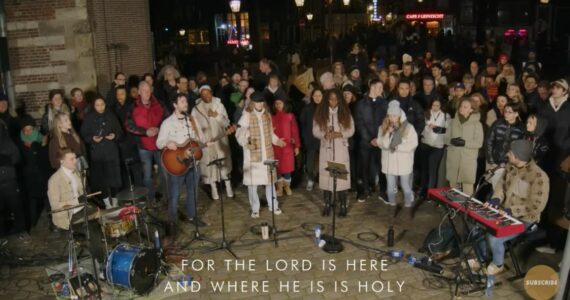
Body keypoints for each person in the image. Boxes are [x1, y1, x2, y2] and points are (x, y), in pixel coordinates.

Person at [475, 140, 549, 275]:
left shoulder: (539, 176)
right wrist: (496, 199)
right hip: (505, 212)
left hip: (525, 219)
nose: (507, 154)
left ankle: (498, 264)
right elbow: (500, 186)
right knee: (479, 226)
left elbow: (537, 206)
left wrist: (512, 211)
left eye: (510, 152)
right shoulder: (510, 166)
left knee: (494, 237)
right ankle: (480, 258)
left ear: (518, 156)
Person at [156, 93, 207, 236]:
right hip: (176, 165)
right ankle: (172, 222)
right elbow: (158, 143)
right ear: (175, 105)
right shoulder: (167, 123)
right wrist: (167, 143)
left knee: (193, 191)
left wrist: (204, 141)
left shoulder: (192, 119)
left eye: (186, 101)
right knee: (174, 195)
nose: (185, 104)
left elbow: (201, 139)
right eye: (182, 101)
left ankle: (192, 216)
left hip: (192, 163)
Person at [47, 149, 105, 262]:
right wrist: (76, 201)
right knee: (92, 230)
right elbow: (54, 205)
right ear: (62, 161)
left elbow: (82, 193)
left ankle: (102, 250)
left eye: (75, 158)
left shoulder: (77, 173)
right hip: (68, 214)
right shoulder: (54, 180)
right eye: (71, 159)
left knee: (102, 216)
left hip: (82, 208)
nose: (75, 161)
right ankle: (101, 261)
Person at [236, 91, 286, 218]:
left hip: (267, 153)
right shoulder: (246, 116)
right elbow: (239, 133)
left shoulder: (267, 115)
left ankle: (273, 205)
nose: (259, 104)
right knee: (253, 184)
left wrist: (277, 141)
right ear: (253, 103)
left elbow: (270, 133)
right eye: (257, 102)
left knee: (270, 180)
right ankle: (255, 208)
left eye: (261, 102)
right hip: (253, 155)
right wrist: (246, 141)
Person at [313, 89, 355, 217]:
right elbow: (315, 131)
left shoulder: (345, 112)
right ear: (326, 99)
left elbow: (351, 130)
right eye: (331, 99)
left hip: (340, 151)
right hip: (326, 149)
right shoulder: (320, 113)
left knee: (340, 179)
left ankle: (343, 205)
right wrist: (324, 135)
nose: (333, 102)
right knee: (327, 179)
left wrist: (340, 134)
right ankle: (327, 204)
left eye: (336, 99)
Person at [191, 85, 234, 200]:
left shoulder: (219, 105)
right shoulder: (196, 109)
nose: (206, 96)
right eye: (203, 94)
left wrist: (216, 116)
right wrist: (201, 139)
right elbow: (195, 126)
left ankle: (228, 186)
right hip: (206, 142)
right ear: (201, 95)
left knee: (223, 165)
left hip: (219, 139)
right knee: (209, 166)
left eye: (208, 93)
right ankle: (214, 189)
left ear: (211, 93)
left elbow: (226, 123)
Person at [377, 100, 418, 218]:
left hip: (404, 163)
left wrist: (397, 146)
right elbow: (381, 143)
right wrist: (387, 134)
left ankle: (407, 207)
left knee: (406, 187)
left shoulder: (408, 128)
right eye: (389, 115)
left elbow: (413, 144)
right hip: (389, 163)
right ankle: (392, 206)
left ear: (399, 115)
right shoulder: (383, 127)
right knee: (390, 189)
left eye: (394, 115)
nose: (391, 118)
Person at [126, 81, 166, 202]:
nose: (146, 92)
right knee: (147, 175)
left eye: (148, 90)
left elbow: (166, 118)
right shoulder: (133, 107)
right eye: (143, 90)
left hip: (159, 143)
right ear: (139, 92)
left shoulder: (158, 104)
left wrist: (159, 128)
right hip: (143, 145)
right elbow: (129, 125)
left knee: (164, 171)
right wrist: (145, 132)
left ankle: (162, 193)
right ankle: (151, 195)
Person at [81, 96, 123, 209]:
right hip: (97, 154)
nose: (100, 107)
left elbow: (119, 131)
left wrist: (115, 135)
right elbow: (84, 135)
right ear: (93, 106)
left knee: (114, 178)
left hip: (111, 152)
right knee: (101, 179)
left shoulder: (111, 115)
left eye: (102, 104)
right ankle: (107, 203)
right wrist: (92, 139)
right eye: (97, 105)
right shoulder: (89, 117)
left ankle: (115, 201)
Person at [354, 78, 388, 203]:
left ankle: (383, 192)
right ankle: (364, 191)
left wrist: (380, 138)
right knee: (364, 167)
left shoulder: (384, 103)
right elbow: (359, 123)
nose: (382, 90)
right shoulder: (361, 104)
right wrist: (369, 139)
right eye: (380, 87)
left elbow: (387, 122)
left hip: (380, 142)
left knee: (383, 167)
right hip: (365, 142)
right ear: (372, 87)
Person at [445, 98, 484, 195]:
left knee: (468, 185)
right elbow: (445, 138)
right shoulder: (453, 122)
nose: (461, 108)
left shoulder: (477, 124)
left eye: (465, 107)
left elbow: (479, 143)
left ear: (471, 110)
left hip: (468, 159)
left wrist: (465, 143)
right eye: (461, 106)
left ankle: (467, 208)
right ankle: (453, 207)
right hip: (453, 157)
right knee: (452, 184)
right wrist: (451, 141)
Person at [18, 115, 50, 228]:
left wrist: (39, 147)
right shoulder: (20, 142)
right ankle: (32, 223)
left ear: (34, 129)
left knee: (47, 198)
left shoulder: (41, 139)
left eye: (29, 129)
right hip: (30, 176)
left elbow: (46, 157)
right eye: (25, 130)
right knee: (32, 199)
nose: (27, 132)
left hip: (42, 174)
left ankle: (52, 221)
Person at [485, 102, 525, 188]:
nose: (506, 114)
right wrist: (491, 161)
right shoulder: (497, 123)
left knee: (507, 188)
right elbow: (489, 141)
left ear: (516, 114)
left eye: (509, 112)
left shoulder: (521, 128)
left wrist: (514, 163)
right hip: (495, 162)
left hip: (511, 165)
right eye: (505, 111)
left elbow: (521, 149)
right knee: (495, 188)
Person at [112, 85, 144, 189]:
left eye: (122, 94)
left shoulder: (132, 106)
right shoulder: (113, 108)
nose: (119, 96)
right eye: (118, 94)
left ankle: (140, 191)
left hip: (133, 141)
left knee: (136, 168)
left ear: (126, 94)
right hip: (120, 143)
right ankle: (128, 193)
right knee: (125, 170)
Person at [418, 98, 449, 200]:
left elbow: (448, 130)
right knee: (424, 168)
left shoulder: (445, 116)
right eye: (433, 105)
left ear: (441, 106)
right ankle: (423, 189)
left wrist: (438, 128)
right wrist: (427, 127)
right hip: (425, 143)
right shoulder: (425, 114)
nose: (435, 107)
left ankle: (430, 193)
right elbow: (420, 127)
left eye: (437, 105)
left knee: (432, 169)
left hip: (438, 146)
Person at [0, 119, 26, 237]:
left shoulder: (7, 142)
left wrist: (5, 159)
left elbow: (17, 158)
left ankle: (21, 231)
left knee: (17, 207)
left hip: (9, 180)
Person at [271, 98, 300, 196]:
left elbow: (295, 131)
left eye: (280, 103)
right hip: (276, 146)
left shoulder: (290, 116)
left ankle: (287, 186)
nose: (278, 105)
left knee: (287, 168)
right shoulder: (272, 116)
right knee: (278, 168)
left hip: (287, 146)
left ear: (285, 104)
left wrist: (296, 146)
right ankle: (279, 187)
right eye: (276, 103)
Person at [299, 88, 323, 191]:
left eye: (319, 95)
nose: (317, 98)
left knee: (323, 162)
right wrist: (305, 138)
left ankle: (321, 180)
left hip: (323, 140)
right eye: (315, 96)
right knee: (309, 163)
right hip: (310, 140)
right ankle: (311, 179)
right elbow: (302, 124)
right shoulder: (307, 109)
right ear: (312, 97)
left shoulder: (326, 109)